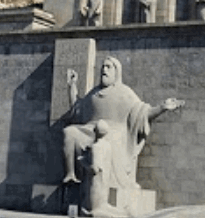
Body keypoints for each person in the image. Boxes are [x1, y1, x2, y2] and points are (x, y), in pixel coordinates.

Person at [62, 57, 183, 192]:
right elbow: (77, 109)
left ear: (116, 72)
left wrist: (162, 107)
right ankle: (71, 175)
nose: (104, 70)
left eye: (108, 67)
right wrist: (72, 86)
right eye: (103, 67)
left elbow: (142, 112)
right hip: (90, 129)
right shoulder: (94, 93)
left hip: (114, 131)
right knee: (69, 132)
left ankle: (103, 182)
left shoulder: (124, 92)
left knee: (108, 140)